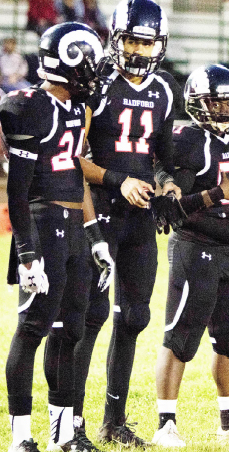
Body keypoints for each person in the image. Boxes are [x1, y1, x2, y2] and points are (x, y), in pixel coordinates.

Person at [149, 64, 229, 446]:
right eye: (216, 102)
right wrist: (216, 194)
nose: (224, 109)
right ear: (198, 103)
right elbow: (171, 209)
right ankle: (165, 425)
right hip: (194, 248)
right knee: (181, 338)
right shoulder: (188, 140)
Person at [71, 0, 181, 446]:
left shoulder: (166, 89)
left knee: (133, 317)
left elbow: (164, 162)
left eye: (146, 40)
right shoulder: (96, 85)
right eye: (132, 38)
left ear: (160, 42)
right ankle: (71, 420)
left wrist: (168, 187)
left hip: (138, 221)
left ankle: (113, 421)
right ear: (117, 39)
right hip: (96, 211)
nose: (138, 48)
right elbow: (73, 158)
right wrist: (119, 181)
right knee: (89, 317)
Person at [2, 22, 113, 452]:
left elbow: (75, 176)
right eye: (90, 63)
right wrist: (27, 253)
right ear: (67, 63)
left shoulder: (73, 110)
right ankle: (21, 436)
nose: (95, 72)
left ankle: (63, 434)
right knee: (32, 329)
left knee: (69, 332)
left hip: (72, 232)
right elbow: (17, 189)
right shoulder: (28, 106)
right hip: (42, 227)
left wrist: (96, 235)